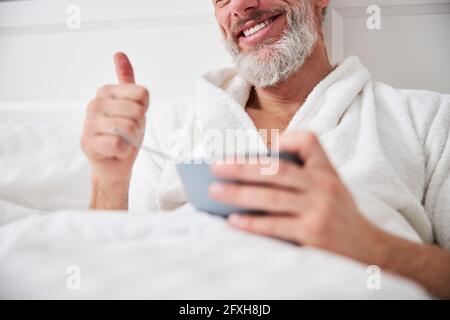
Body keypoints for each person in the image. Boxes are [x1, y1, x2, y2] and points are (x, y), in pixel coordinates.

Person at [80, 0, 450, 298]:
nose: (240, 6)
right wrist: (110, 179)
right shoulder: (169, 124)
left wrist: (370, 246)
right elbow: (110, 271)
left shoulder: (426, 118)